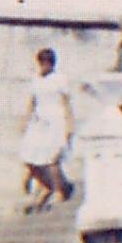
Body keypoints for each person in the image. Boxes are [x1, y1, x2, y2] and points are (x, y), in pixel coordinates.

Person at [19, 48, 76, 213]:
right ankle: (46, 185)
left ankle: (59, 190)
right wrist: (25, 120)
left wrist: (69, 125)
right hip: (39, 121)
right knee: (29, 156)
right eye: (41, 63)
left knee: (52, 158)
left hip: (56, 120)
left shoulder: (60, 79)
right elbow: (32, 102)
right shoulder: (36, 80)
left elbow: (66, 103)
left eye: (46, 63)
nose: (44, 66)